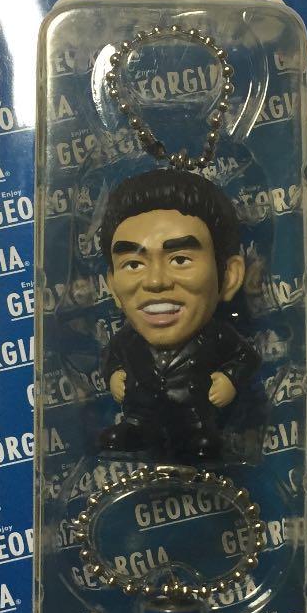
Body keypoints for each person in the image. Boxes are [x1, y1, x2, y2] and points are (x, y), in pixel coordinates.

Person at [98, 168, 259, 460]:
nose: (155, 282)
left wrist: (229, 379)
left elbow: (245, 357)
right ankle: (136, 430)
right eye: (133, 265)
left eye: (180, 260)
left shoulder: (217, 337)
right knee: (136, 427)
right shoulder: (127, 340)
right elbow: (110, 357)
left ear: (229, 276)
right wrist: (114, 376)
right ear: (113, 287)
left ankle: (197, 435)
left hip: (194, 415)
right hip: (141, 413)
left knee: (199, 439)